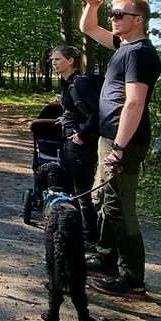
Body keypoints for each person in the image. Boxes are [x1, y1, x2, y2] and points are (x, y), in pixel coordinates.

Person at [79, 0, 161, 299]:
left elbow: (135, 102)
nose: (112, 19)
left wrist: (120, 148)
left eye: (118, 15)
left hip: (123, 141)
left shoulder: (139, 53)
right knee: (103, 201)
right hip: (110, 138)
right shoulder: (123, 47)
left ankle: (132, 279)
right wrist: (92, 6)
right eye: (112, 13)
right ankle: (105, 260)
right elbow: (88, 28)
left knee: (120, 208)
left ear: (137, 20)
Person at [49, 44, 100, 247]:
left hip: (81, 144)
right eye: (53, 59)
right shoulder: (67, 83)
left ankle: (90, 236)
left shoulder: (80, 83)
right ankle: (77, 228)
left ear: (71, 61)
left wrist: (83, 134)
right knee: (71, 186)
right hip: (70, 140)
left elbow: (98, 111)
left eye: (58, 59)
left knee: (82, 190)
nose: (54, 62)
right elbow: (77, 109)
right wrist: (65, 119)